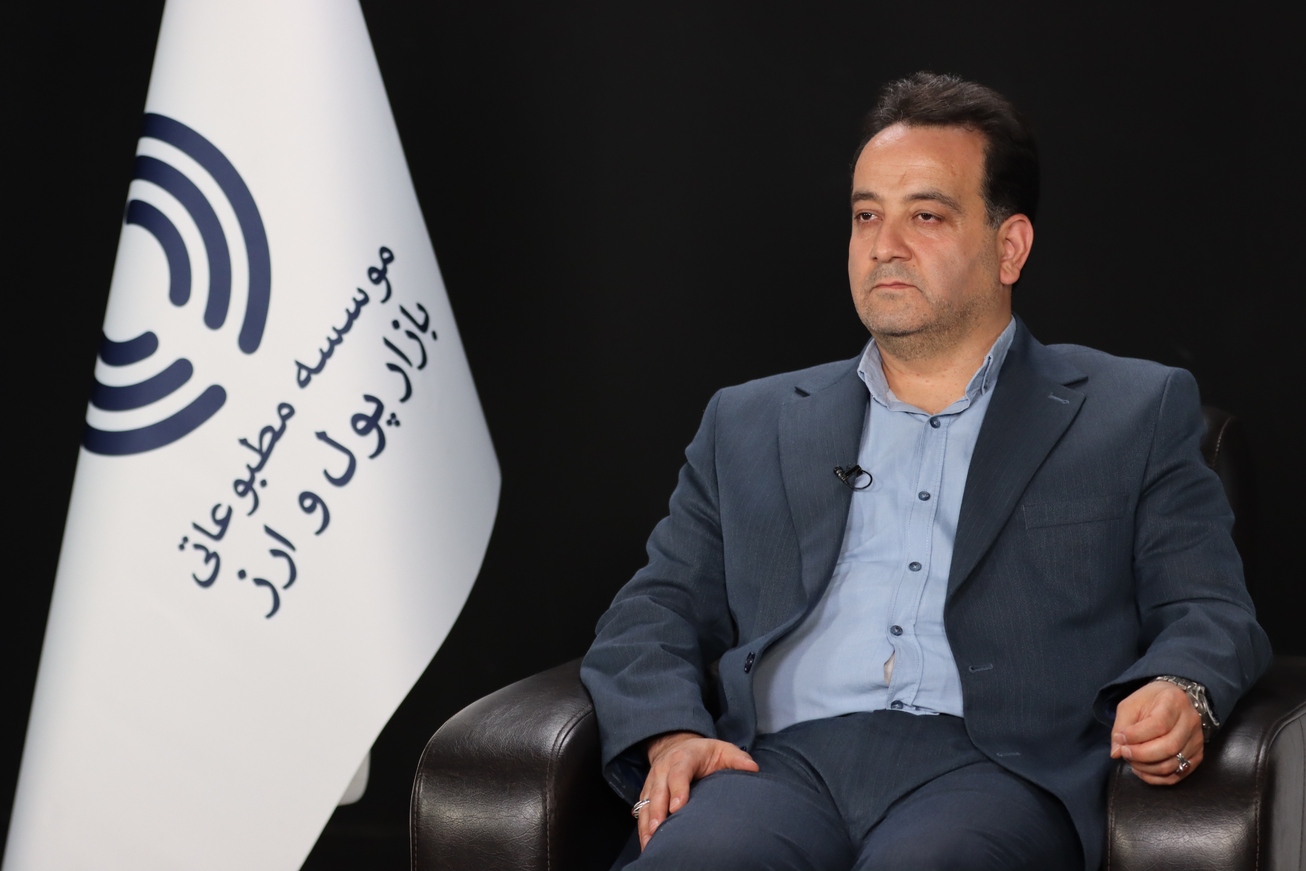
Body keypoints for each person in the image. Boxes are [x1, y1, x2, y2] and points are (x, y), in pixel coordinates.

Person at [580, 72, 1271, 871]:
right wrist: (671, 733)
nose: (885, 245)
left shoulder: (1132, 411)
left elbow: (1210, 609)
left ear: (1009, 247)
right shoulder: (748, 421)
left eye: (927, 216)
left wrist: (1183, 687)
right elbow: (653, 612)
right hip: (772, 764)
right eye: (866, 215)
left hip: (997, 772)